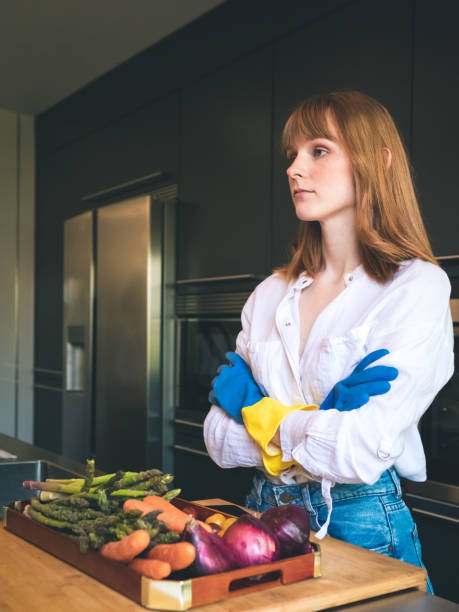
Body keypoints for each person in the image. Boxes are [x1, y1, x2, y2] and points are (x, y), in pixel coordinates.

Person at [203, 90, 454, 593]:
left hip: (362, 523)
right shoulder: (269, 294)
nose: (294, 169)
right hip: (261, 516)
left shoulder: (417, 286)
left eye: (318, 151)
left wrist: (262, 413)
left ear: (377, 162)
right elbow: (217, 438)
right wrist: (322, 422)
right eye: (292, 156)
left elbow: (358, 453)